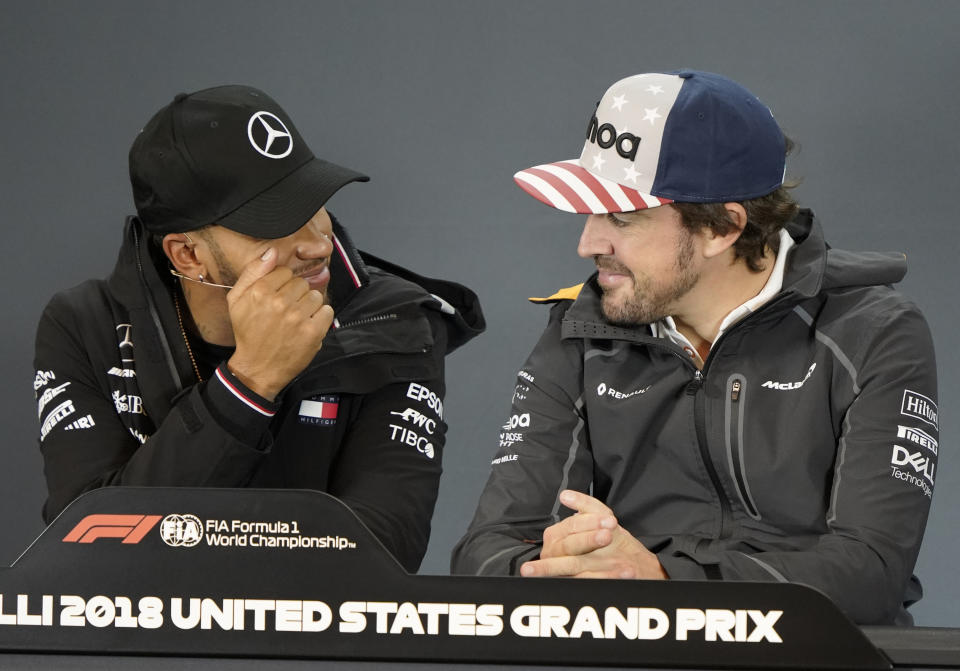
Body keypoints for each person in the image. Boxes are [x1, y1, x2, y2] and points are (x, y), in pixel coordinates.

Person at [452, 70, 938, 625]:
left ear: (722, 228)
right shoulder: (581, 332)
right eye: (589, 212)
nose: (588, 243)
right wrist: (554, 571)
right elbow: (485, 552)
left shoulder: (871, 330)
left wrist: (663, 583)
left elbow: (871, 574)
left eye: (623, 217)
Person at [34, 85, 484, 572]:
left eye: (315, 202)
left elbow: (380, 553)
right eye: (273, 222)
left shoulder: (397, 319)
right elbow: (85, 557)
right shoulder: (85, 325)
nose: (316, 243)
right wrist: (248, 383)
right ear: (188, 255)